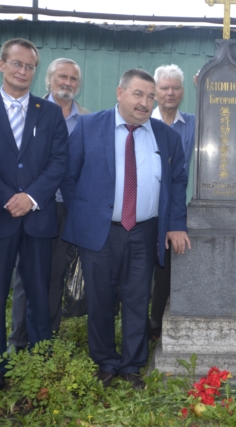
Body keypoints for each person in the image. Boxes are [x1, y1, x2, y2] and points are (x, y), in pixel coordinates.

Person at [61, 68, 190, 390]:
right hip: (101, 232)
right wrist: (87, 214)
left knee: (136, 299)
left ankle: (132, 364)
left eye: (150, 96)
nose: (145, 103)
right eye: (138, 94)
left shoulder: (167, 137)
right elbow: (68, 175)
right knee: (101, 299)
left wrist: (174, 225)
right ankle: (105, 361)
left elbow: (176, 183)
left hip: (145, 231)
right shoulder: (90, 127)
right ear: (120, 93)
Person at [0, 38, 69, 392]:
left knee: (40, 293)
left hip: (38, 218)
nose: (23, 71)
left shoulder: (50, 111)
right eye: (17, 64)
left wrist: (31, 196)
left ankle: (41, 360)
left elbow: (59, 162)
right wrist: (8, 196)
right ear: (1, 65)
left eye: (29, 66)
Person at [9, 57, 90, 351]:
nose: (67, 83)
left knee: (56, 274)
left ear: (78, 85)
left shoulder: (87, 121)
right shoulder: (30, 112)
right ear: (49, 80)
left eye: (72, 79)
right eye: (61, 77)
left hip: (65, 209)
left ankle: (46, 339)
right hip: (32, 206)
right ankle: (18, 340)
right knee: (26, 276)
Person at [148, 64, 196, 340]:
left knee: (168, 267)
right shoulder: (142, 120)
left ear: (182, 92)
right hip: (147, 207)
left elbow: (221, 128)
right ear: (154, 92)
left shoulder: (192, 123)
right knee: (143, 268)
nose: (170, 93)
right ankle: (139, 323)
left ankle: (157, 321)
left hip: (179, 207)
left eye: (175, 87)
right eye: (164, 88)